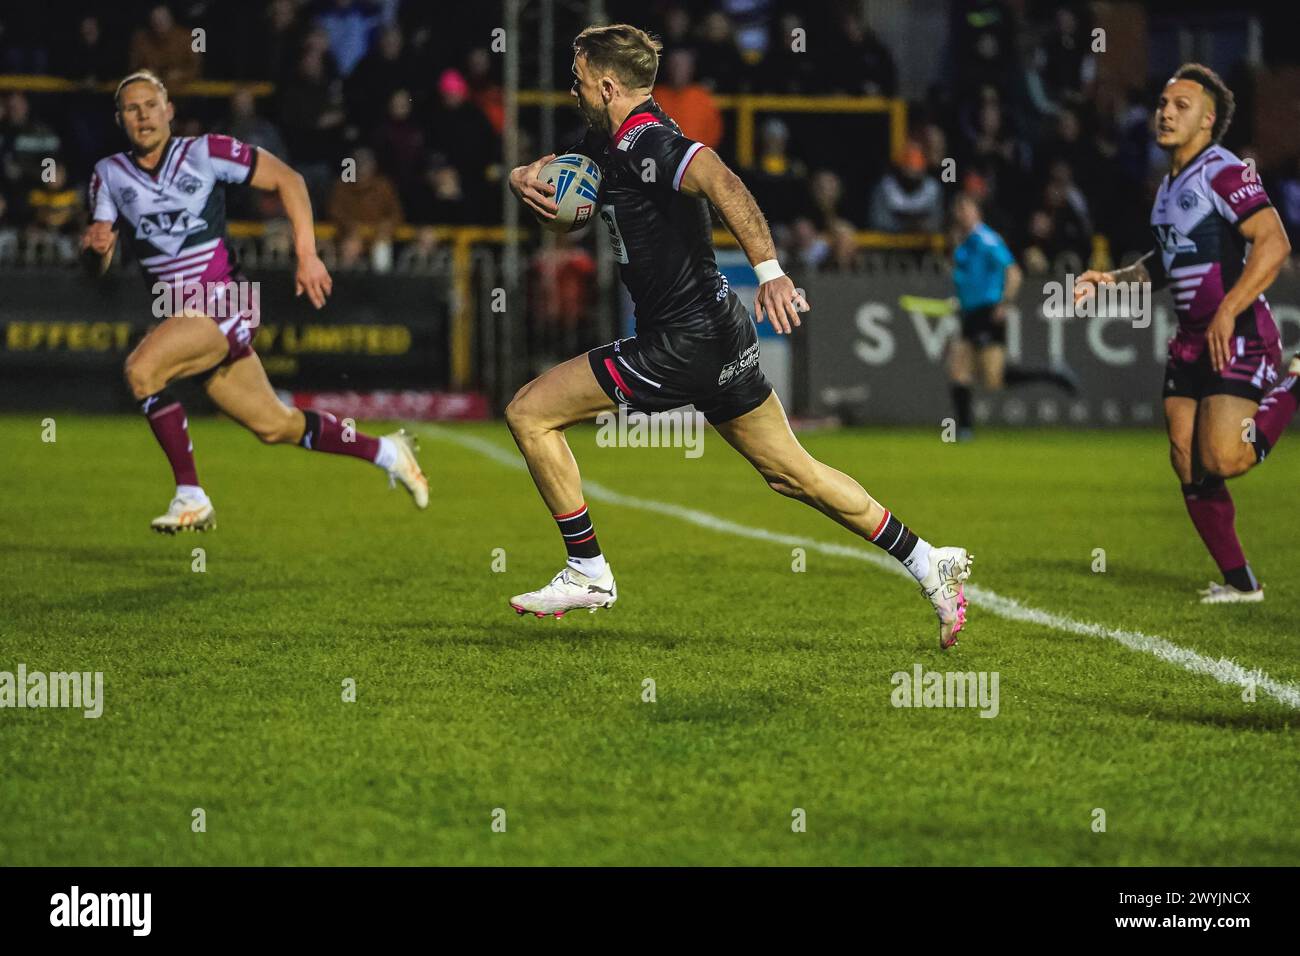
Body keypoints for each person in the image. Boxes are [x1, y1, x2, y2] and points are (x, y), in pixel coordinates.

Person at [505, 24, 974, 647]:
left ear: (608, 85)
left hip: (680, 340)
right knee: (793, 473)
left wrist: (772, 273)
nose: (574, 87)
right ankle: (926, 559)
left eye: (581, 79)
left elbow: (722, 180)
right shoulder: (612, 139)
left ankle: (589, 570)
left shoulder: (649, 141)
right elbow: (580, 187)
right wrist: (523, 176)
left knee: (529, 413)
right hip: (719, 329)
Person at [82, 70, 427, 533]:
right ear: (120, 119)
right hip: (180, 314)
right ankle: (386, 451)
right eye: (131, 108)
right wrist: (96, 251)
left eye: (151, 105)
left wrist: (306, 255)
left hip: (226, 300)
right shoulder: (108, 175)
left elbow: (289, 180)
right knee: (275, 426)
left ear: (169, 111)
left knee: (142, 369)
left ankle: (191, 494)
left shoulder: (205, 152)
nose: (143, 114)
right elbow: (96, 265)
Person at [1076, 63, 1298, 603]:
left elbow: (1273, 244)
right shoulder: (1167, 187)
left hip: (1237, 334)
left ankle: (1294, 380)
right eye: (1162, 103)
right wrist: (1113, 279)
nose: (1166, 112)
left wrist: (1228, 311)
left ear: (1208, 119)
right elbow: (1163, 265)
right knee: (1187, 459)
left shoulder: (1224, 171)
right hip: (1190, 342)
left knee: (1224, 458)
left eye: (1180, 105)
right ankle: (1242, 584)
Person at [947, 192, 1076, 440]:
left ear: (977, 213)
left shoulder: (988, 240)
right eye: (959, 210)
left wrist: (1003, 303)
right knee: (957, 369)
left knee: (993, 379)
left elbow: (1013, 272)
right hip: (969, 312)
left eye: (966, 209)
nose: (961, 214)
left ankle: (1052, 372)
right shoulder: (962, 243)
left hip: (988, 312)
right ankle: (963, 429)